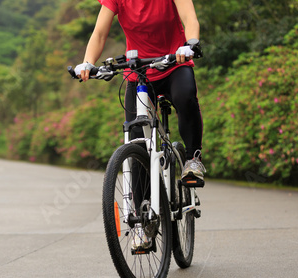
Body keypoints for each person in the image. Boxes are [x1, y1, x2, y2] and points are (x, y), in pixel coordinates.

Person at [75, 0, 206, 186]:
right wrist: (88, 62)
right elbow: (99, 33)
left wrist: (191, 43)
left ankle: (193, 159)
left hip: (174, 64)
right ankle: (141, 209)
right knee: (137, 140)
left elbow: (190, 19)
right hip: (140, 72)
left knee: (185, 98)